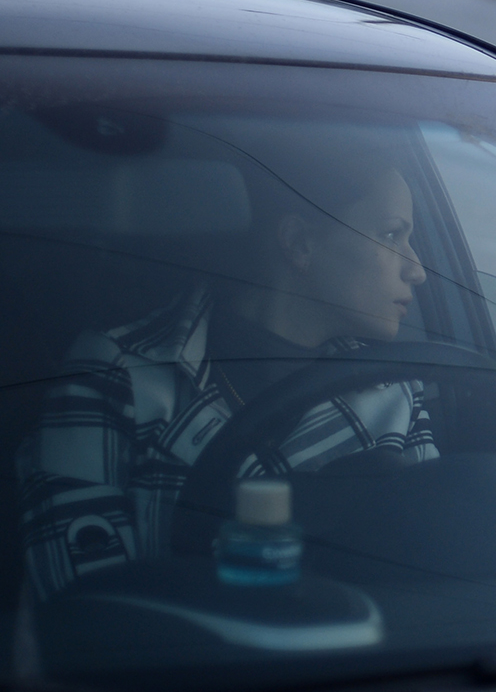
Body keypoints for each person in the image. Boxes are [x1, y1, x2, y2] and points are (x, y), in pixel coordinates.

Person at [16, 138, 438, 597]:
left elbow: (435, 570)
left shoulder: (394, 386)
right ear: (300, 243)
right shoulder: (120, 372)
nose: (417, 269)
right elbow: (82, 609)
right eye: (392, 234)